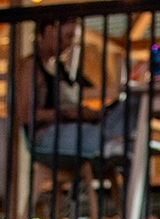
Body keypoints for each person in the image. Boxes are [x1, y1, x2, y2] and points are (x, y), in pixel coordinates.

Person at [15, 18, 128, 160]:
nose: (69, 44)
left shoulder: (61, 68)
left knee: (128, 108)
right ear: (49, 30)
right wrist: (72, 113)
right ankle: (113, 146)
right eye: (68, 37)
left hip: (78, 127)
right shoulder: (31, 66)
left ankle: (121, 144)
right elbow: (25, 115)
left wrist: (91, 113)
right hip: (48, 133)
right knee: (90, 135)